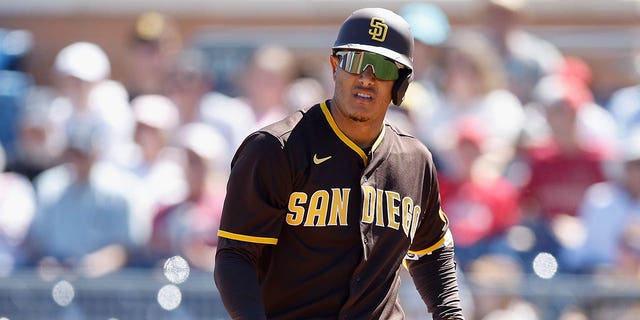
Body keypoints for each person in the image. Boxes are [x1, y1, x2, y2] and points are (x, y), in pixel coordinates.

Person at [214, 8, 464, 319]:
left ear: (401, 82)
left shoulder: (415, 161)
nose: (366, 78)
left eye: (383, 67)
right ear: (335, 65)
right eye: (356, 61)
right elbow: (236, 255)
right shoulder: (277, 148)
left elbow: (431, 253)